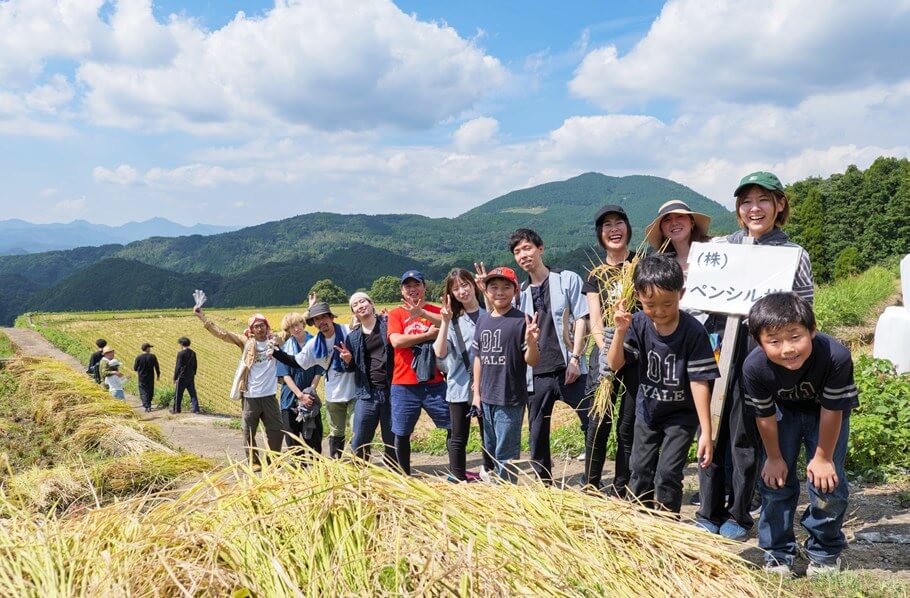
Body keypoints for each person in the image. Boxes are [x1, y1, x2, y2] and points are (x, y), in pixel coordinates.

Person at [697, 171, 815, 541]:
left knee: (746, 430)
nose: (754, 208)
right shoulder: (724, 247)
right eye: (746, 201)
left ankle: (740, 511)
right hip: (717, 345)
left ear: (779, 205)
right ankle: (707, 508)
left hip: (759, 353)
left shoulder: (791, 254)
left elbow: (805, 312)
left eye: (763, 200)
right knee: (711, 425)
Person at [742, 292, 857, 576]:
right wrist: (774, 457)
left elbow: (833, 411)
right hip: (783, 415)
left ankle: (824, 551)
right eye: (774, 341)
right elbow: (764, 415)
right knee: (775, 482)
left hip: (827, 415)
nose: (787, 349)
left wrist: (823, 458)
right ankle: (777, 552)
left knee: (828, 482)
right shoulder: (754, 367)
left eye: (795, 337)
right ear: (759, 342)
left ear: (812, 330)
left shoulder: (836, 356)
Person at [605, 255, 718, 514]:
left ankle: (667, 525)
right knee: (640, 469)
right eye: (650, 304)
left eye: (668, 303)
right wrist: (620, 331)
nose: (659, 311)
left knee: (667, 473)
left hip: (681, 416)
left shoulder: (693, 331)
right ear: (638, 297)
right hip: (648, 411)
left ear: (682, 293)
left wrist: (706, 432)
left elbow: (700, 381)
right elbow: (614, 364)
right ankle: (642, 524)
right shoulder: (639, 323)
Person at [510, 228, 589, 485]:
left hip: (569, 367)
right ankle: (545, 484)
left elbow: (581, 320)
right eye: (517, 252)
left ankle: (592, 479)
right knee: (537, 432)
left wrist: (576, 358)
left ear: (540, 248)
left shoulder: (567, 279)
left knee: (592, 422)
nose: (523, 255)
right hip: (536, 372)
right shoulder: (519, 293)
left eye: (527, 248)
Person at [583, 205, 639, 496]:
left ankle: (622, 486)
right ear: (600, 234)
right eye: (607, 225)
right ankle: (590, 483)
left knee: (628, 424)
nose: (614, 229)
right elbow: (595, 318)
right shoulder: (595, 274)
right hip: (604, 351)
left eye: (619, 223)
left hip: (635, 352)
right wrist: (605, 350)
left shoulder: (641, 265)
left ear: (628, 228)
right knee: (598, 419)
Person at [471, 266, 540, 482]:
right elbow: (478, 357)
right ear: (486, 290)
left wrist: (531, 342)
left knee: (506, 452)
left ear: (515, 290)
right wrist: (476, 394)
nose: (499, 292)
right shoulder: (483, 320)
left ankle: (508, 491)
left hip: (510, 396)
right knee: (490, 448)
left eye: (505, 287)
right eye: (494, 287)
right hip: (487, 397)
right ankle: (498, 489)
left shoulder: (523, 320)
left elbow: (533, 360)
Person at [194, 310, 283, 470]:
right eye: (256, 327)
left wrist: (309, 310)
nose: (260, 329)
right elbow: (223, 334)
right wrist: (203, 319)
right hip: (250, 396)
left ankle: (273, 460)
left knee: (276, 431)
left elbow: (292, 327)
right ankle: (253, 462)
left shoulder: (275, 340)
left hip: (269, 396)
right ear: (252, 329)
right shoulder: (246, 342)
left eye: (262, 325)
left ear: (267, 326)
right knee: (248, 431)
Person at [272, 301, 357, 459]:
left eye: (324, 317)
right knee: (330, 433)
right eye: (317, 319)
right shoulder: (309, 345)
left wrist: (309, 393)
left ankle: (359, 464)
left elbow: (319, 370)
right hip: (314, 396)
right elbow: (291, 366)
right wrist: (275, 352)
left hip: (346, 391)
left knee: (354, 430)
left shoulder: (344, 333)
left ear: (331, 317)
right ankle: (328, 466)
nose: (321, 321)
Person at [387, 270, 448, 475]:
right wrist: (426, 335)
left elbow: (447, 326)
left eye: (416, 285)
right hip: (403, 384)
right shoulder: (396, 314)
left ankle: (456, 469)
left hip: (434, 380)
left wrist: (427, 323)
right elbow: (396, 341)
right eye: (408, 286)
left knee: (453, 425)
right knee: (402, 432)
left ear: (424, 287)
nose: (412, 289)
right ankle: (405, 474)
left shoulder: (435, 311)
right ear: (402, 291)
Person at [434, 268, 490, 482]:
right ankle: (458, 478)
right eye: (456, 288)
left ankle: (489, 471)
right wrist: (445, 321)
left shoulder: (490, 314)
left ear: (474, 285)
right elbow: (439, 352)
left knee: (489, 434)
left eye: (465, 284)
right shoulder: (454, 321)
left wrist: (488, 291)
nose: (462, 291)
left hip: (488, 385)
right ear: (451, 294)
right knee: (458, 437)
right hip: (460, 386)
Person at [344, 292, 397, 466]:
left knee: (392, 437)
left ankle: (395, 471)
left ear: (371, 303)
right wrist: (348, 361)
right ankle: (359, 470)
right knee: (360, 437)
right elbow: (352, 368)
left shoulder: (388, 325)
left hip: (391, 391)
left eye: (363, 301)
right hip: (367, 394)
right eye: (355, 305)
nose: (360, 305)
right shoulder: (353, 337)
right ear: (354, 312)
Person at [276, 312, 324, 455]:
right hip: (289, 399)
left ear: (302, 324)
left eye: (297, 325)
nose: (296, 329)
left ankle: (317, 470)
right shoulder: (285, 348)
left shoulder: (316, 344)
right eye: (291, 327)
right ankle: (299, 470)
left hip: (310, 398)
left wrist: (309, 393)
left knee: (314, 438)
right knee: (293, 440)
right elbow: (285, 375)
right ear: (288, 330)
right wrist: (300, 395)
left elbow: (318, 371)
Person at [644, 200, 712, 278]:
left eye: (680, 216)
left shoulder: (714, 248)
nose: (674, 223)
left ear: (692, 222)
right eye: (667, 220)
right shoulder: (663, 268)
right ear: (662, 231)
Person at [173, 336, 199, 414]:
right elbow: (195, 365)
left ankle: (177, 409)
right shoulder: (193, 353)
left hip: (182, 376)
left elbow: (178, 366)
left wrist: (175, 377)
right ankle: (196, 409)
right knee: (193, 393)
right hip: (190, 376)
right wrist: (193, 373)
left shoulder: (181, 354)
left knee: (178, 394)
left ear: (181, 344)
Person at [132, 342, 161, 412]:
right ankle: (149, 403)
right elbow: (157, 366)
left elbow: (135, 368)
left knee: (143, 391)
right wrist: (158, 374)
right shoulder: (153, 356)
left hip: (142, 377)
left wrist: (140, 369)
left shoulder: (139, 357)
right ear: (147, 348)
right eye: (149, 348)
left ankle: (146, 405)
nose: (150, 349)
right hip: (150, 376)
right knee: (150, 390)